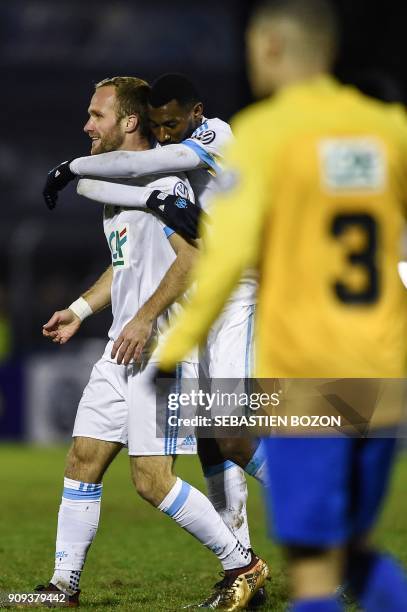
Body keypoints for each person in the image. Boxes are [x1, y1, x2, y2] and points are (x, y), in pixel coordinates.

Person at [147, 1, 407, 611]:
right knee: (355, 551)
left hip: (308, 374)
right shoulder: (390, 129)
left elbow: (224, 257)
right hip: (384, 374)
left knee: (317, 568)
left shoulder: (266, 135)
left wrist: (176, 346)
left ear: (268, 48)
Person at [38, 76, 268, 610]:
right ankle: (61, 588)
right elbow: (123, 267)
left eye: (96, 115)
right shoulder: (122, 191)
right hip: (122, 347)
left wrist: (143, 320)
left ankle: (245, 564)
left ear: (129, 121)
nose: (85, 125)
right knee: (82, 458)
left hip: (162, 349)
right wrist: (77, 310)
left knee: (157, 478)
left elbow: (190, 263)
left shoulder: (174, 183)